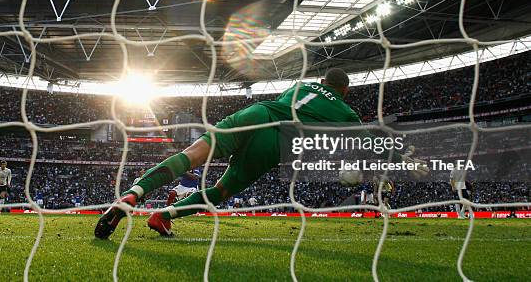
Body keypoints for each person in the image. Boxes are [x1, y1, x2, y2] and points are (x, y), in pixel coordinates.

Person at [95, 68, 428, 239]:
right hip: (274, 141)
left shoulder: (300, 85)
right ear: (344, 89)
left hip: (255, 113)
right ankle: (164, 215)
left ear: (323, 80)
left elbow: (288, 104)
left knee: (194, 154)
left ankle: (132, 195)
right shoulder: (345, 111)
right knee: (221, 190)